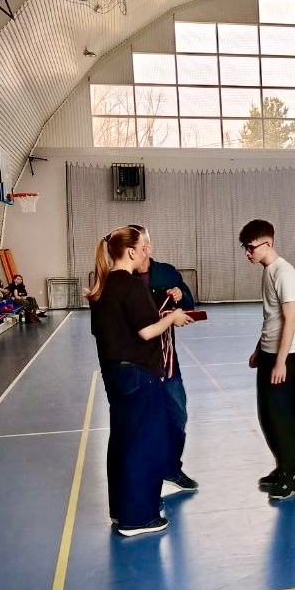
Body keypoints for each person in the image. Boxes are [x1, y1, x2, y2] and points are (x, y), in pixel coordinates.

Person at [86, 225, 192, 536]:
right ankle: (138, 517)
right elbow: (147, 331)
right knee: (145, 445)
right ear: (131, 251)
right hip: (138, 374)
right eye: (144, 247)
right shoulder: (131, 286)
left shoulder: (101, 286)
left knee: (122, 440)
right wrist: (171, 318)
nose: (148, 251)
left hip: (114, 373)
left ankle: (121, 510)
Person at [240, 219, 295, 502]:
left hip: (284, 357)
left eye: (251, 247)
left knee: (284, 417)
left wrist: (281, 362)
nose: (248, 253)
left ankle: (292, 476)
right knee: (268, 416)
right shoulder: (268, 271)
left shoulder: (284, 272)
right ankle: (282, 468)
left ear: (268, 244)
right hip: (269, 353)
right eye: (245, 248)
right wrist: (259, 349)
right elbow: (272, 318)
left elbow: (291, 319)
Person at [133, 226, 199, 493]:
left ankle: (172, 468)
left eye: (139, 248)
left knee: (177, 416)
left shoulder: (166, 272)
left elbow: (189, 305)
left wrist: (182, 296)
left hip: (168, 363)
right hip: (140, 366)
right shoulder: (125, 279)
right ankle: (147, 480)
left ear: (148, 248)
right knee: (144, 424)